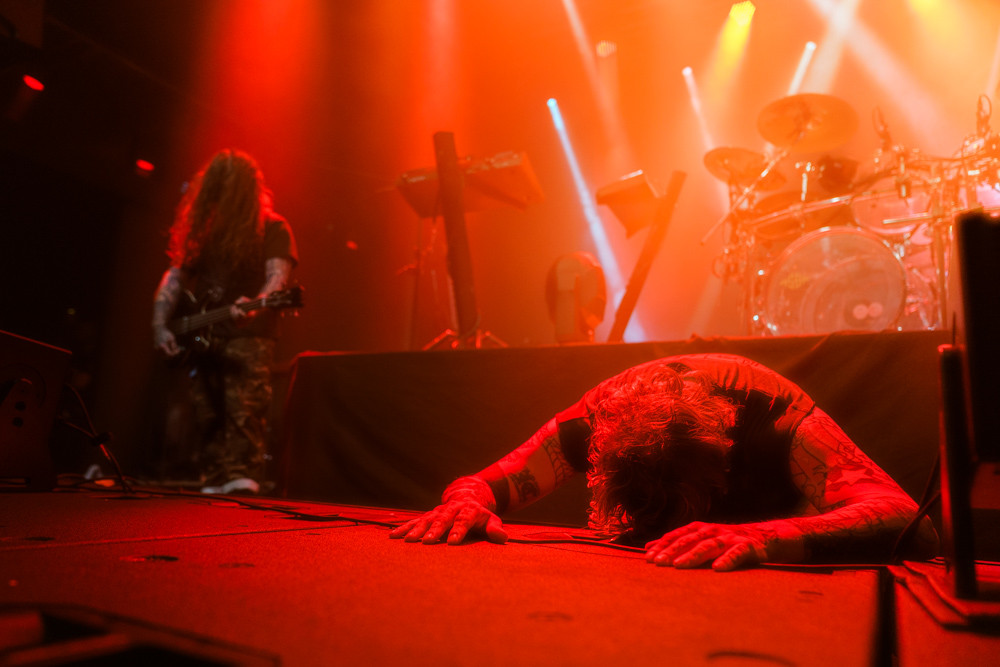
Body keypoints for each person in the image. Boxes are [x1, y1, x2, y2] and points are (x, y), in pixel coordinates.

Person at [390, 353, 939, 570]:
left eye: (674, 509)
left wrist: (762, 535)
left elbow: (908, 520)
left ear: (723, 465)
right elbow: (481, 485)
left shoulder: (775, 418)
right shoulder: (591, 422)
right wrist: (466, 503)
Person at [151, 149, 298, 495]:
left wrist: (256, 306)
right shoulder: (205, 232)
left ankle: (242, 478)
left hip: (250, 335)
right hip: (203, 336)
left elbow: (277, 279)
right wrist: (159, 324)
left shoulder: (273, 227)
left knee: (244, 409)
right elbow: (174, 277)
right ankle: (215, 477)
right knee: (207, 413)